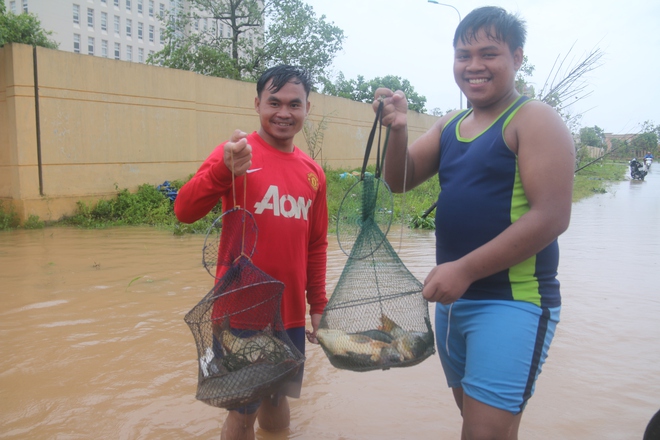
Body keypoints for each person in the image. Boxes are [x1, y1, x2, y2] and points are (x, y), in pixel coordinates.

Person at [374, 6, 574, 439]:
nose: (474, 66)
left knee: (483, 433)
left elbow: (552, 216)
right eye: (464, 55)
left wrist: (464, 269)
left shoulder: (534, 119)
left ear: (517, 58)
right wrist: (399, 130)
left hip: (512, 302)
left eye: (489, 53)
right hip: (453, 304)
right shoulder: (451, 124)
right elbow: (398, 179)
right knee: (481, 426)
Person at [174, 65, 328, 440]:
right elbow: (184, 210)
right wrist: (222, 172)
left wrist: (318, 306)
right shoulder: (237, 154)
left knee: (277, 400)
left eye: (294, 104)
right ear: (257, 103)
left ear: (308, 108)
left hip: (289, 312)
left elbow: (316, 244)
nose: (284, 113)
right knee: (243, 411)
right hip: (240, 311)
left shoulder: (314, 174)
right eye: (273, 102)